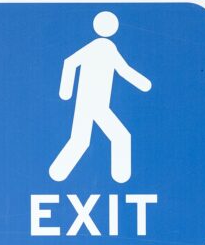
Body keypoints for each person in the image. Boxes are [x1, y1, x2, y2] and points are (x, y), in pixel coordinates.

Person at [51, 11, 152, 184]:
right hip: (94, 104)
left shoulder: (105, 47)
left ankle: (58, 173)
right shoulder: (101, 47)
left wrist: (143, 84)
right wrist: (65, 92)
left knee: (80, 140)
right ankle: (121, 177)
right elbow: (70, 62)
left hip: (89, 104)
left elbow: (123, 70)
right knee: (120, 136)